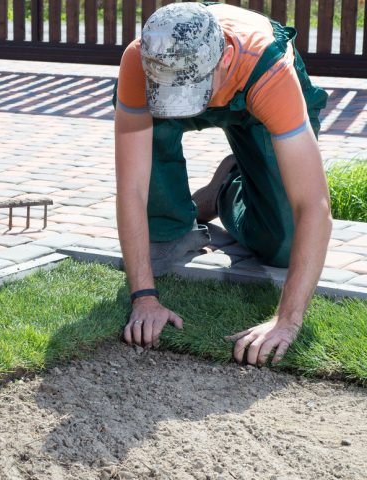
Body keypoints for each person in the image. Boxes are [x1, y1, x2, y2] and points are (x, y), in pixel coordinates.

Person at [113, 2, 331, 366]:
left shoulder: (270, 72)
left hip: (255, 85)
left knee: (281, 245)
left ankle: (228, 189)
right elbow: (132, 188)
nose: (183, 104)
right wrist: (144, 296)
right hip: (199, 75)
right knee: (158, 231)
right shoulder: (142, 61)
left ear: (226, 58)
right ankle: (171, 228)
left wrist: (287, 321)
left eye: (192, 91)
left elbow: (314, 205)